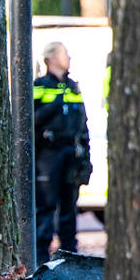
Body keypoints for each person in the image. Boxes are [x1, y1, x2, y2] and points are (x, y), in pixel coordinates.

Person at [32, 41, 91, 262]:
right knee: (45, 208)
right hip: (48, 155)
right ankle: (40, 262)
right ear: (52, 58)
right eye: (64, 53)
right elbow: (31, 121)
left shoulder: (73, 87)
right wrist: (54, 105)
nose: (69, 57)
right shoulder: (40, 85)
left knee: (69, 209)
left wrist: (86, 157)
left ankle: (71, 258)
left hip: (71, 154)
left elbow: (83, 124)